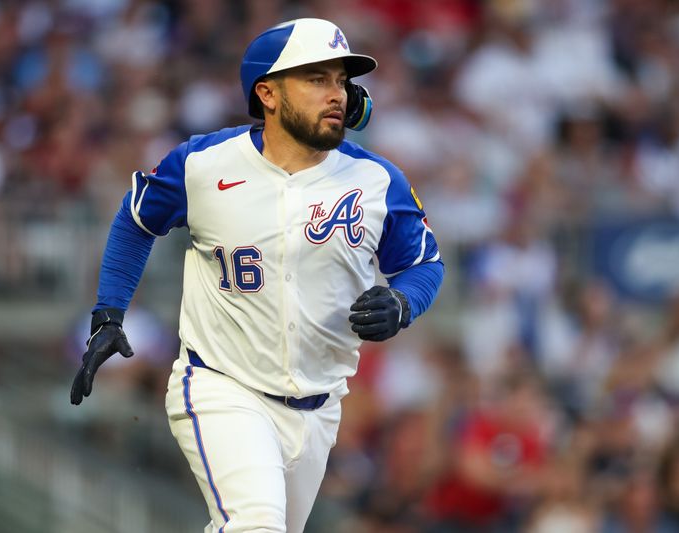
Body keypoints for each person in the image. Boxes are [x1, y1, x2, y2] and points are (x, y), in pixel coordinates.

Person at [69, 17, 443, 533]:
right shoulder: (203, 163)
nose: (336, 94)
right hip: (223, 387)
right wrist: (109, 312)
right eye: (316, 79)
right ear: (267, 92)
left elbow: (424, 263)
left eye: (341, 80)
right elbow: (136, 220)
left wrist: (404, 303)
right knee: (254, 526)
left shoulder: (377, 179)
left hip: (319, 404)